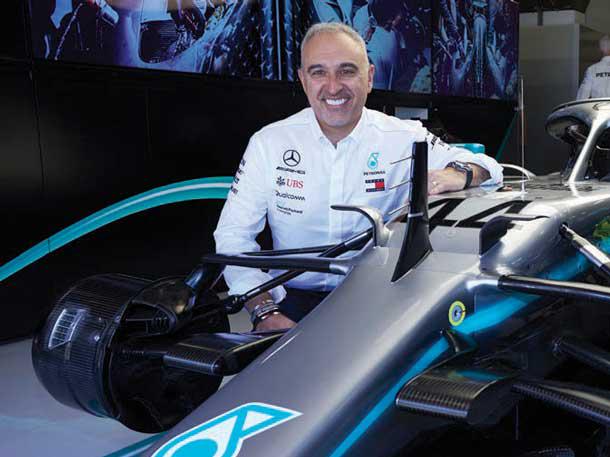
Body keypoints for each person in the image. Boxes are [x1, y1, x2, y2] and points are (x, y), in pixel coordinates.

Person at [214, 22, 503, 332]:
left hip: (379, 300)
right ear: (303, 80)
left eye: (347, 71)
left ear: (370, 78)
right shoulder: (269, 143)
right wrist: (264, 312)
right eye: (318, 72)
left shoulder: (405, 137)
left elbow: (488, 167)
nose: (333, 87)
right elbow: (233, 236)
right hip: (290, 300)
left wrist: (458, 174)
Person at [577, 35, 610, 100]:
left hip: (598, 106)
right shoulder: (591, 69)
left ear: (601, 49)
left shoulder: (592, 69)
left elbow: (582, 97)